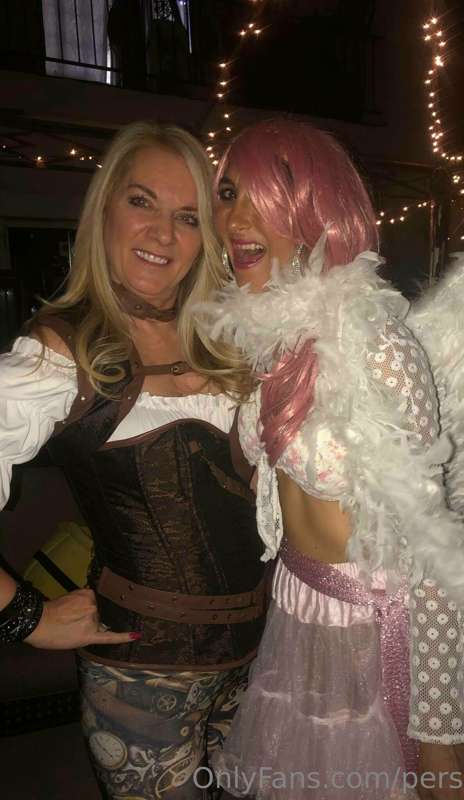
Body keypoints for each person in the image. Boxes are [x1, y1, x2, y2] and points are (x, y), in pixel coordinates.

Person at [195, 119, 464, 800]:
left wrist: (439, 733)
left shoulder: (380, 348)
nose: (238, 218)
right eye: (228, 193)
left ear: (317, 208)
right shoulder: (270, 339)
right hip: (299, 611)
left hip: (379, 633)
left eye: (268, 194)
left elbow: (429, 551)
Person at [0, 121, 266, 799]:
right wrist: (25, 616)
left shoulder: (230, 336)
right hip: (142, 681)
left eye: (188, 217)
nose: (162, 234)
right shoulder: (64, 352)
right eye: (142, 202)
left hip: (265, 660)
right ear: (106, 209)